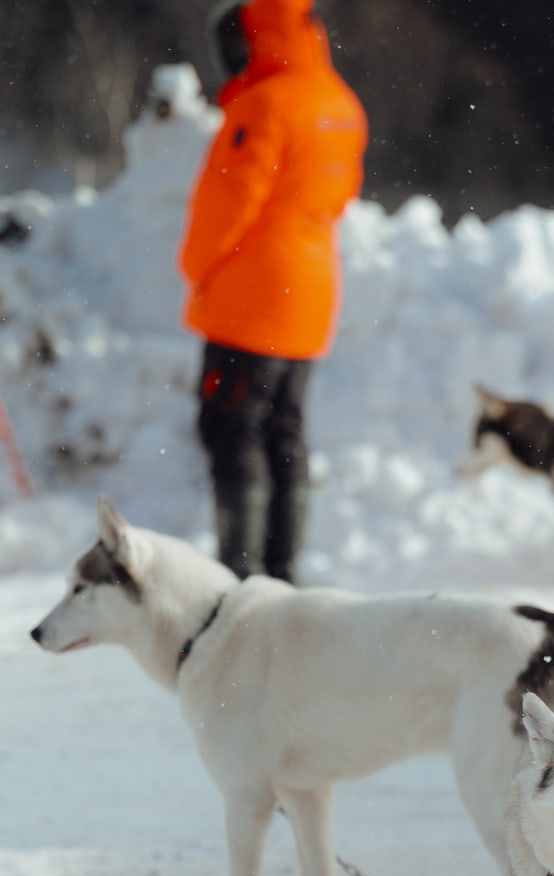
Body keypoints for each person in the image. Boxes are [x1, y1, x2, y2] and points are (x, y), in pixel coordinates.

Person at [179, 0, 367, 582]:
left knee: (232, 426)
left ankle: (241, 575)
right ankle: (282, 572)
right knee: (283, 427)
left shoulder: (263, 106)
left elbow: (224, 207)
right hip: (313, 291)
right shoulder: (339, 102)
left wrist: (196, 269)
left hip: (253, 293)